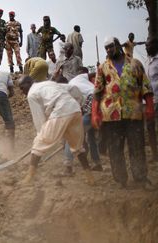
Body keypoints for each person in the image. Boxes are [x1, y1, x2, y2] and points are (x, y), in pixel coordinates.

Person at [18, 58, 94, 185]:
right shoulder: (48, 83)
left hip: (61, 110)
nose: (21, 91)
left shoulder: (31, 94)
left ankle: (29, 178)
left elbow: (39, 121)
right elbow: (72, 88)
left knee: (39, 143)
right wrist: (79, 103)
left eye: (21, 88)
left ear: (28, 84)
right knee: (77, 147)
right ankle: (89, 177)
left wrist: (42, 135)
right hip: (74, 109)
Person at [92, 37, 153, 189]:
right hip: (111, 116)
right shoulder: (103, 68)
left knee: (137, 147)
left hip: (134, 113)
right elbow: (97, 92)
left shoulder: (135, 64)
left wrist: (150, 107)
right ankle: (121, 181)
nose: (108, 50)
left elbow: (146, 87)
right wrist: (95, 113)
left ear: (118, 45)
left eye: (111, 46)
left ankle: (141, 178)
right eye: (106, 48)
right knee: (115, 149)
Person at [62, 67, 102, 175]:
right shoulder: (86, 83)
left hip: (92, 100)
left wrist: (101, 70)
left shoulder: (77, 78)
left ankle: (68, 166)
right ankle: (97, 163)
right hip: (99, 100)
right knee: (91, 135)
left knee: (72, 134)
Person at [146, 37, 158, 162]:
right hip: (150, 100)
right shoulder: (147, 62)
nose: (146, 47)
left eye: (149, 45)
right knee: (150, 127)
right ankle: (155, 154)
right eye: (146, 46)